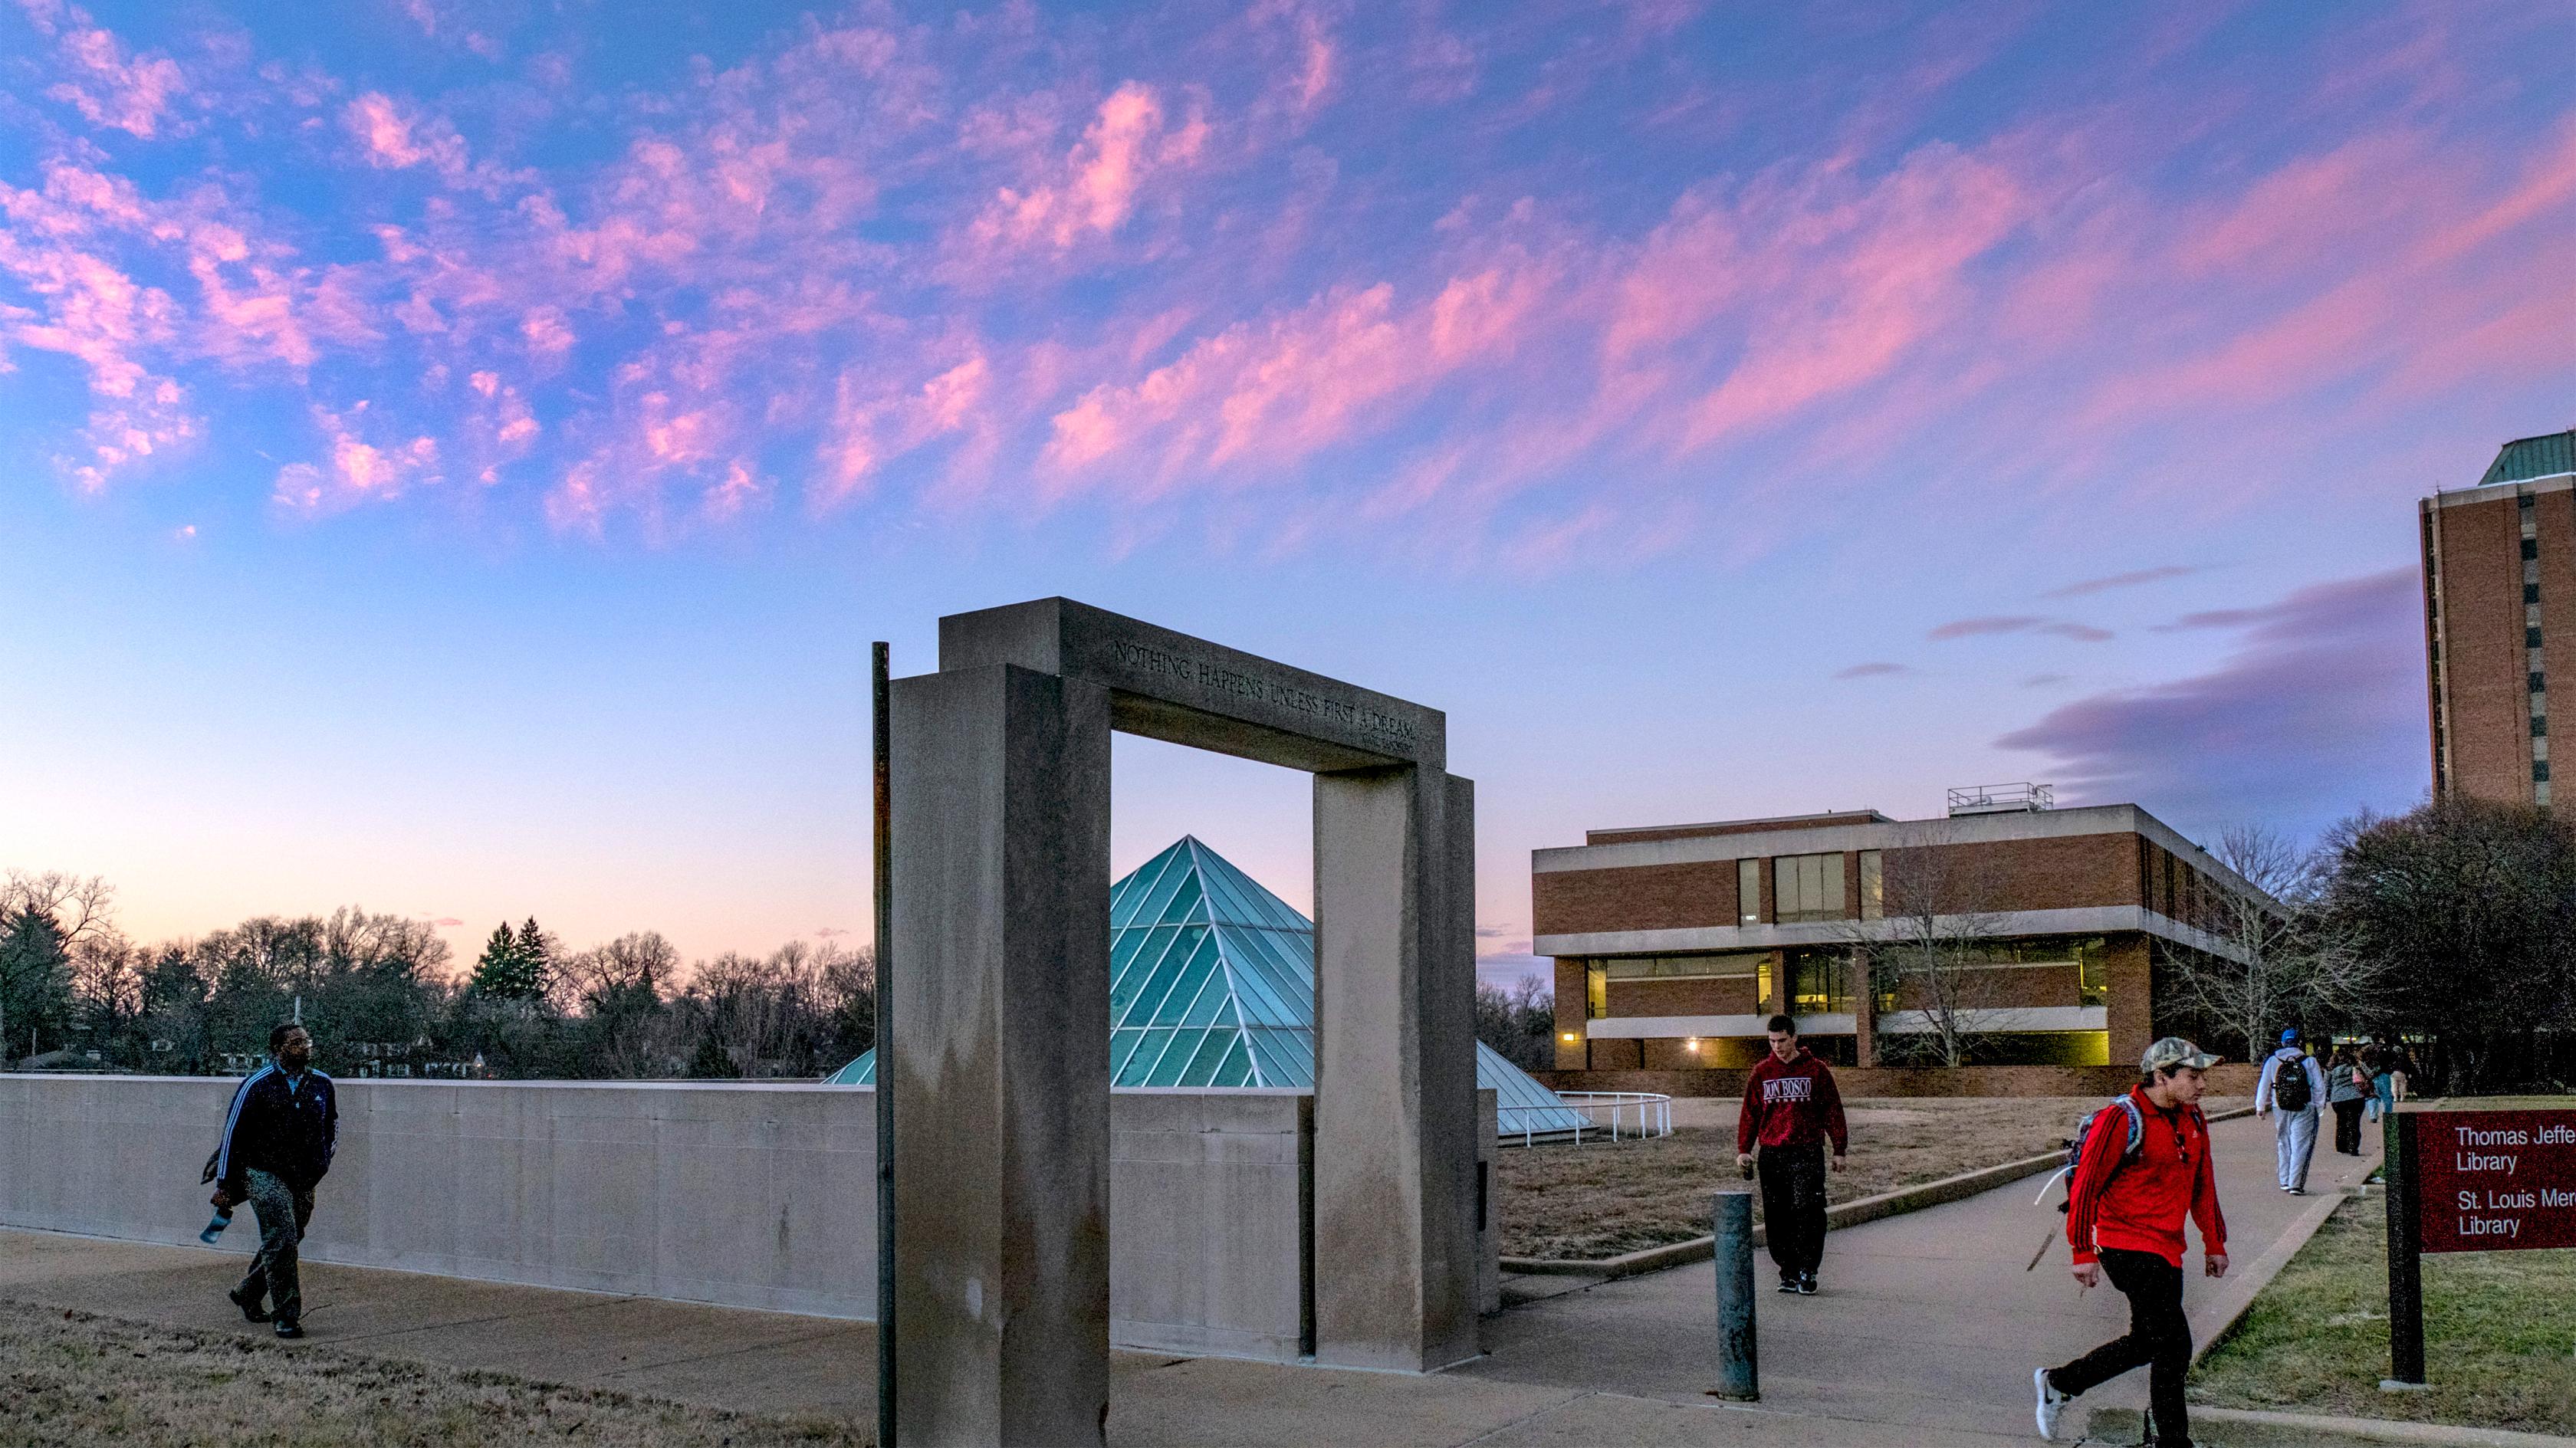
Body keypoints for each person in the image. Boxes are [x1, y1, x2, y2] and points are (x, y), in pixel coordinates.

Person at [2033, 1037, 2229, 1447]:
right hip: (2124, 1244)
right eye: (2193, 1076)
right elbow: (2086, 1188)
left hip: (2167, 1245)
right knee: (2174, 1345)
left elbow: (2203, 1184)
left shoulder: (2192, 1119)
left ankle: (2060, 1382)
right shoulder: (2121, 1119)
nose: (2202, 1085)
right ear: (2162, 1076)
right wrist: (2082, 1252)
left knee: (2149, 1341)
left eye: (2202, 1076)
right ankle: (2174, 1442)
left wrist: (2214, 1242)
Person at [209, 1023, 337, 1339]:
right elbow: (232, 1135)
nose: (304, 1046)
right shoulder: (258, 1084)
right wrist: (224, 1185)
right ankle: (287, 1315)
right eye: (296, 1042)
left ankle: (248, 1292)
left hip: (303, 1176)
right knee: (281, 1235)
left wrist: (322, 1164)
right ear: (278, 1049)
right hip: (261, 1172)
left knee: (291, 1236)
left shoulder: (322, 1083)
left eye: (306, 1041)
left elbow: (332, 1128)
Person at [1734, 1014, 1847, 1295]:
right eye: (1772, 1041)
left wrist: (1839, 1150)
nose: (1777, 1046)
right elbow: (1751, 1113)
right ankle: (1788, 1271)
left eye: (1782, 1040)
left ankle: (1808, 1269)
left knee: (1807, 1211)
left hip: (1806, 1151)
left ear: (1794, 1038)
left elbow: (1832, 1109)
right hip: (1772, 1153)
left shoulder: (1816, 1070)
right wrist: (1744, 1150)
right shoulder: (1761, 1073)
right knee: (1777, 1215)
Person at [2254, 1027, 2326, 1195]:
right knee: (2301, 1145)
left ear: (2282, 1042)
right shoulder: (2309, 1061)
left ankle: (2284, 1181)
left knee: (2283, 1142)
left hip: (2280, 1106)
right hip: (2305, 1106)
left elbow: (2264, 1084)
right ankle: (2295, 1183)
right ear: (2299, 1042)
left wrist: (2260, 1107)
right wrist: (2319, 1107)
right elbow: (2319, 1087)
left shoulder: (2273, 1060)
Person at [2326, 1044, 2370, 1156]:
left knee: (2341, 1121)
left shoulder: (2331, 1070)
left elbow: (2326, 1084)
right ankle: (2353, 1147)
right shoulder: (2356, 1066)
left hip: (2338, 1098)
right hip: (2356, 1097)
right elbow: (2369, 1074)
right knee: (2354, 1123)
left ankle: (2341, 1146)